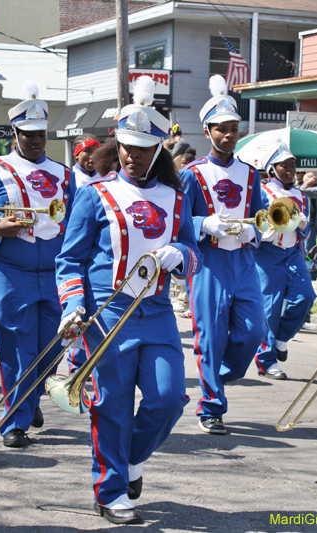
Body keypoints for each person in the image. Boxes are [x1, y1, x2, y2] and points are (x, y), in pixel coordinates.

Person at [55, 76, 201, 525]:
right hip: (106, 313)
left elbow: (194, 258)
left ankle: (131, 462)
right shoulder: (93, 194)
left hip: (155, 312)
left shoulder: (177, 199)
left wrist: (182, 255)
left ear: (159, 150)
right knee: (111, 406)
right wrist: (73, 304)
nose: (131, 155)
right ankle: (111, 488)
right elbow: (69, 259)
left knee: (169, 397)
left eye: (141, 148)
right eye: (125, 145)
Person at [0, 80, 76, 448]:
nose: (37, 140)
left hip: (55, 272)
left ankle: (32, 394)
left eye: (41, 133)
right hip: (9, 271)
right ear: (14, 133)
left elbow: (75, 222)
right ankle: (16, 419)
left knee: (54, 345)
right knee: (16, 347)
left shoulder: (64, 174)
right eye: (28, 134)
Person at [179, 75, 266, 434]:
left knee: (253, 330)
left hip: (243, 262)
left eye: (234, 128)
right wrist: (204, 224)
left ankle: (214, 376)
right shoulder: (191, 174)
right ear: (207, 131)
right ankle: (211, 404)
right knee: (210, 336)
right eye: (221, 129)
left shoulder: (250, 174)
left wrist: (254, 230)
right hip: (209, 264)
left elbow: (262, 215)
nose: (229, 135)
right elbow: (180, 222)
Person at [252, 135, 316, 380]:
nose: (290, 170)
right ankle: (266, 361)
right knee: (270, 308)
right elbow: (255, 225)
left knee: (305, 297)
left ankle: (281, 338)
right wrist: (266, 231)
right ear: (272, 168)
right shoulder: (262, 191)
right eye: (284, 166)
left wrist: (301, 224)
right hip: (267, 254)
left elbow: (307, 232)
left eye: (292, 166)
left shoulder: (302, 196)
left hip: (292, 253)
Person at [295, 171, 317, 252]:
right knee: (302, 249)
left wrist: (306, 183)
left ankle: (311, 265)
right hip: (303, 223)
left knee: (309, 249)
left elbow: (301, 191)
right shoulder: (302, 187)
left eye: (298, 172)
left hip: (312, 223)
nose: (296, 174)